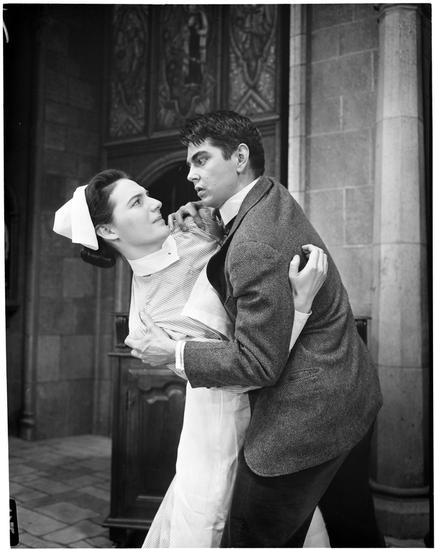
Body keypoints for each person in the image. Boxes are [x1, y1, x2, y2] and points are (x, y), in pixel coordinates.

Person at [129, 110, 385, 548]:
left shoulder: (254, 244)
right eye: (190, 164)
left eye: (201, 160)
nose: (190, 175)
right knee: (352, 531)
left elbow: (256, 362)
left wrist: (173, 353)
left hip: (308, 414)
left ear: (240, 156)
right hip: (351, 394)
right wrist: (208, 216)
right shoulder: (269, 196)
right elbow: (238, 229)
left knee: (250, 534)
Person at [53, 169, 329, 548]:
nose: (156, 203)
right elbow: (245, 371)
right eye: (136, 202)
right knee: (215, 522)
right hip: (222, 428)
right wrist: (299, 304)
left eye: (147, 195)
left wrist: (213, 218)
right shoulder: (148, 320)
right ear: (108, 231)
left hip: (279, 412)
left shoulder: (194, 231)